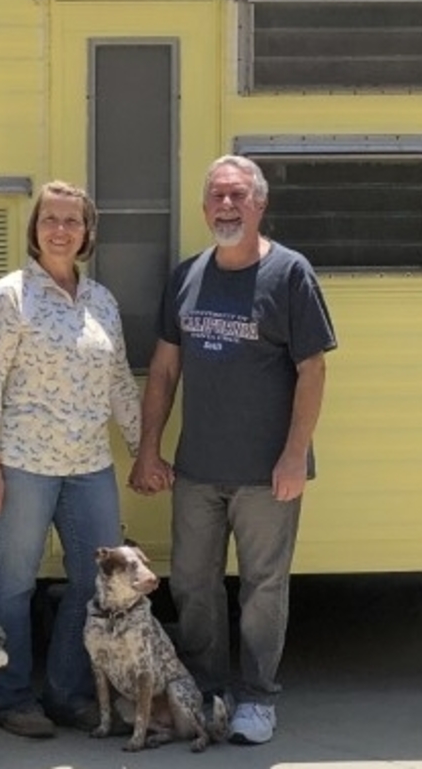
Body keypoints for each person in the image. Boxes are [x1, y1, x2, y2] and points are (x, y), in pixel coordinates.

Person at [129, 155, 337, 745]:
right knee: (193, 584)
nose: (226, 206)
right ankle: (209, 690)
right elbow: (165, 371)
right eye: (217, 196)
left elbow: (312, 370)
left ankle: (257, 699)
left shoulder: (290, 274)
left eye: (238, 196)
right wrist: (149, 449)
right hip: (197, 469)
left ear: (259, 204)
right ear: (204, 208)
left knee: (263, 589)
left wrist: (296, 455)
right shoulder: (188, 276)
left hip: (268, 474)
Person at [0, 179, 141, 739]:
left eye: (72, 221)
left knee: (92, 583)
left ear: (88, 232)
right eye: (50, 220)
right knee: (11, 583)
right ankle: (9, 697)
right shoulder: (9, 297)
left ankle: (67, 694)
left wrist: (143, 452)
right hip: (22, 464)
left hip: (90, 464)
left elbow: (118, 381)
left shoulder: (102, 302)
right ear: (34, 229)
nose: (61, 230)